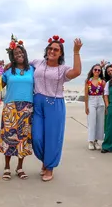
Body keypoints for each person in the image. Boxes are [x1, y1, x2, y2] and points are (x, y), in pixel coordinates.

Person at [31, 35, 82, 182]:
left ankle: (49, 167)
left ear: (60, 53)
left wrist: (76, 52)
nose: (52, 51)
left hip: (55, 104)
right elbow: (20, 65)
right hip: (38, 102)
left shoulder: (63, 69)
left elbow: (77, 72)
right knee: (37, 137)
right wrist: (8, 65)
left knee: (53, 137)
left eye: (56, 49)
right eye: (50, 48)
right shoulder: (37, 63)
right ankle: (46, 160)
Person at [0, 35, 34, 180]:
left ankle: (19, 167)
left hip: (27, 107)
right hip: (10, 107)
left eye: (21, 53)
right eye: (16, 54)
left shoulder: (32, 69)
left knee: (23, 138)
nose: (19, 55)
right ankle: (7, 167)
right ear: (12, 57)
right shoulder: (8, 70)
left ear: (25, 54)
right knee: (9, 138)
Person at [84, 64, 105, 150]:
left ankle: (96, 141)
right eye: (95, 69)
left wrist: (106, 106)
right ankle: (91, 141)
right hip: (91, 101)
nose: (97, 71)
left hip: (100, 100)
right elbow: (86, 94)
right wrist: (86, 106)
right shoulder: (88, 81)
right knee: (91, 121)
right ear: (92, 70)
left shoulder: (102, 82)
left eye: (99, 70)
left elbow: (104, 94)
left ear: (100, 72)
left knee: (100, 122)